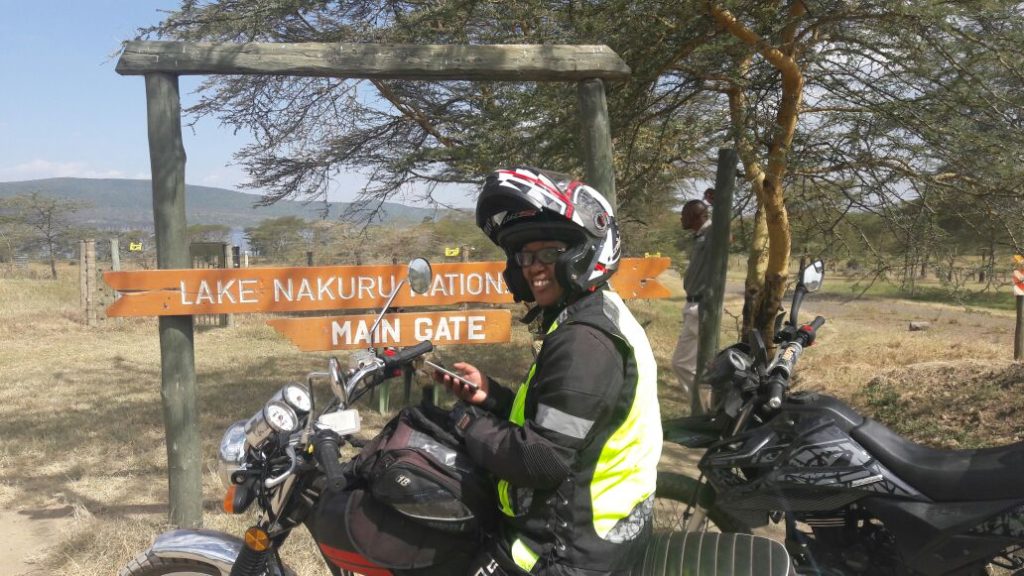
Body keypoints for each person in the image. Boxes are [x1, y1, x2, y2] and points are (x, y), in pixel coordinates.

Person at [434, 167, 663, 576]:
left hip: (564, 552)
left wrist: (466, 422)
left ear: (585, 252)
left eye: (551, 254)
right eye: (526, 256)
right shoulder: (594, 316)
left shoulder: (585, 342)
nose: (534, 267)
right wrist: (492, 397)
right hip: (595, 531)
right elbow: (560, 423)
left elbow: (541, 460)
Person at [671, 197, 712, 402]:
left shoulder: (711, 232)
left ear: (696, 216)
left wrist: (719, 204)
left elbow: (726, 235)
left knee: (684, 364)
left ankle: (705, 409)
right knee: (697, 363)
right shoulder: (700, 236)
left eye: (684, 214)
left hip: (702, 307)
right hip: (693, 304)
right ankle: (706, 409)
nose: (680, 219)